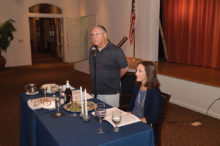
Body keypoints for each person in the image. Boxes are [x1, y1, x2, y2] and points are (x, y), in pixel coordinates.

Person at [89, 25, 128, 107]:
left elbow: (124, 68)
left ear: (105, 35)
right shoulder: (92, 50)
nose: (94, 37)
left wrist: (115, 78)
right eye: (92, 35)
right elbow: (92, 67)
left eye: (97, 34)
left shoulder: (116, 51)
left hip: (110, 93)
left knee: (110, 117)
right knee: (95, 115)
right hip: (95, 91)